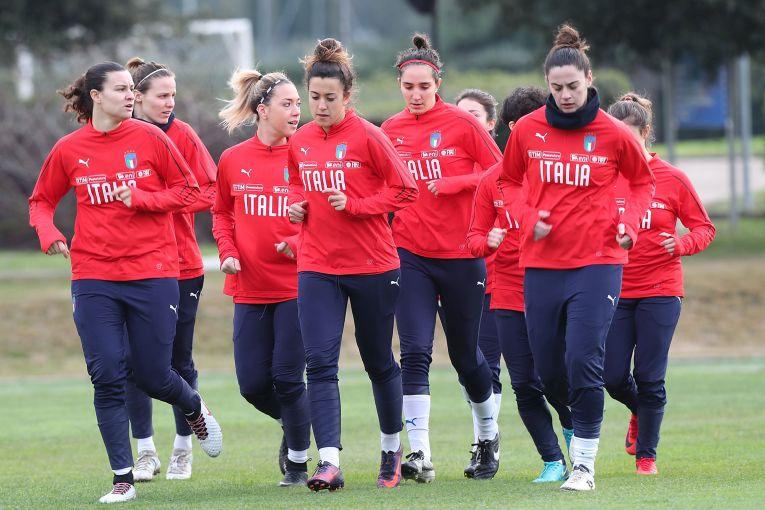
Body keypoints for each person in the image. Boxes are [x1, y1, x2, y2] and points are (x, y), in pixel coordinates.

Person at [28, 61, 222, 504]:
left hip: (153, 274)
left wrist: (143, 199)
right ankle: (123, 478)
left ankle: (193, 407)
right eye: (121, 89)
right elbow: (41, 201)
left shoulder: (152, 138)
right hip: (93, 276)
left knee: (154, 374)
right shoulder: (69, 148)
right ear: (95, 95)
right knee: (106, 375)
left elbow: (192, 194)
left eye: (133, 89)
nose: (131, 95)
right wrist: (50, 233)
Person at [498, 24, 655, 491]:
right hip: (542, 265)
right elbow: (507, 183)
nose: (565, 95)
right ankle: (575, 442)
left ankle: (583, 465)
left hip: (597, 262)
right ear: (548, 85)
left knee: (585, 360)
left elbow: (643, 181)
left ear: (588, 79)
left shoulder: (612, 133)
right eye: (556, 87)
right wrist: (528, 220)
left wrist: (631, 223)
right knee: (550, 372)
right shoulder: (527, 131)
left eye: (572, 86)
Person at [287, 38, 418, 491]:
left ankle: (390, 449)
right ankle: (329, 462)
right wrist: (295, 208)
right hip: (317, 265)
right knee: (319, 362)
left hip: (373, 266)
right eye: (314, 97)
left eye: (330, 98)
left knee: (379, 361)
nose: (320, 106)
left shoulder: (369, 135)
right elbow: (295, 186)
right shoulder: (300, 140)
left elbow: (405, 190)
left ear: (347, 97)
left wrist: (359, 205)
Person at [381, 33, 503, 482]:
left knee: (467, 357)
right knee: (413, 352)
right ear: (400, 84)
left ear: (438, 84)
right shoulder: (390, 130)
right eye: (408, 87)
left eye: (424, 87)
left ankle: (487, 436)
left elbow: (502, 172)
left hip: (462, 254)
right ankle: (419, 455)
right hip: (409, 253)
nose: (416, 95)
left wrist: (455, 184)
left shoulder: (462, 124)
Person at [467, 86, 575, 483]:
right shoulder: (491, 181)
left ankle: (574, 434)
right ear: (515, 128)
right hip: (507, 293)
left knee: (556, 377)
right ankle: (551, 460)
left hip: (554, 287)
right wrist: (487, 241)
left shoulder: (557, 174)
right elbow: (473, 239)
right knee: (525, 383)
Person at [604, 93, 715, 475]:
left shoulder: (671, 178)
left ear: (646, 133)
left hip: (661, 289)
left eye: (629, 136)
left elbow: (704, 228)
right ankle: (639, 410)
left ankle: (646, 456)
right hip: (613, 289)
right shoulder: (603, 178)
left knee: (650, 376)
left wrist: (681, 244)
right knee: (611, 376)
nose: (621, 144)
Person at [213, 68, 312, 487]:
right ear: (262, 110)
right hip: (249, 289)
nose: (297, 111)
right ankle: (301, 426)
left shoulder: (308, 155)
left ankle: (298, 461)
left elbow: (325, 214)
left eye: (298, 104)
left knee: (289, 378)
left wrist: (296, 239)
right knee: (253, 385)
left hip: (299, 286)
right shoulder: (233, 159)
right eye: (287, 104)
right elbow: (220, 212)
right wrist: (228, 252)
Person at [123, 57, 217, 482]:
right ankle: (145, 451)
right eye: (161, 96)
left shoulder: (182, 134)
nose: (169, 103)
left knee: (177, 359)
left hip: (180, 266)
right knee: (129, 360)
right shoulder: (117, 135)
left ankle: (183, 447)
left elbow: (210, 189)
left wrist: (161, 199)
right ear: (136, 97)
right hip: (129, 266)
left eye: (172, 96)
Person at [454, 87, 504, 475]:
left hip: (501, 276)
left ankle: (488, 444)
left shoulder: (499, 171)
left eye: (474, 115)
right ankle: (485, 443)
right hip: (461, 270)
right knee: (473, 365)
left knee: (528, 374)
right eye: (460, 115)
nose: (465, 122)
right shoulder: (446, 159)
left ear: (490, 124)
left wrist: (456, 183)